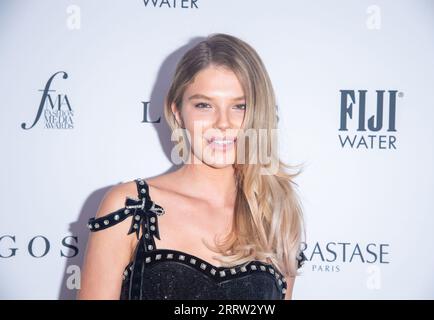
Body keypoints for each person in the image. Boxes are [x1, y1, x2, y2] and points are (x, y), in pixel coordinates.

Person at [78, 33, 306, 300]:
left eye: (239, 106)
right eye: (204, 105)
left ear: (260, 112)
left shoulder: (275, 215)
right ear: (177, 111)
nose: (223, 123)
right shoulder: (131, 207)